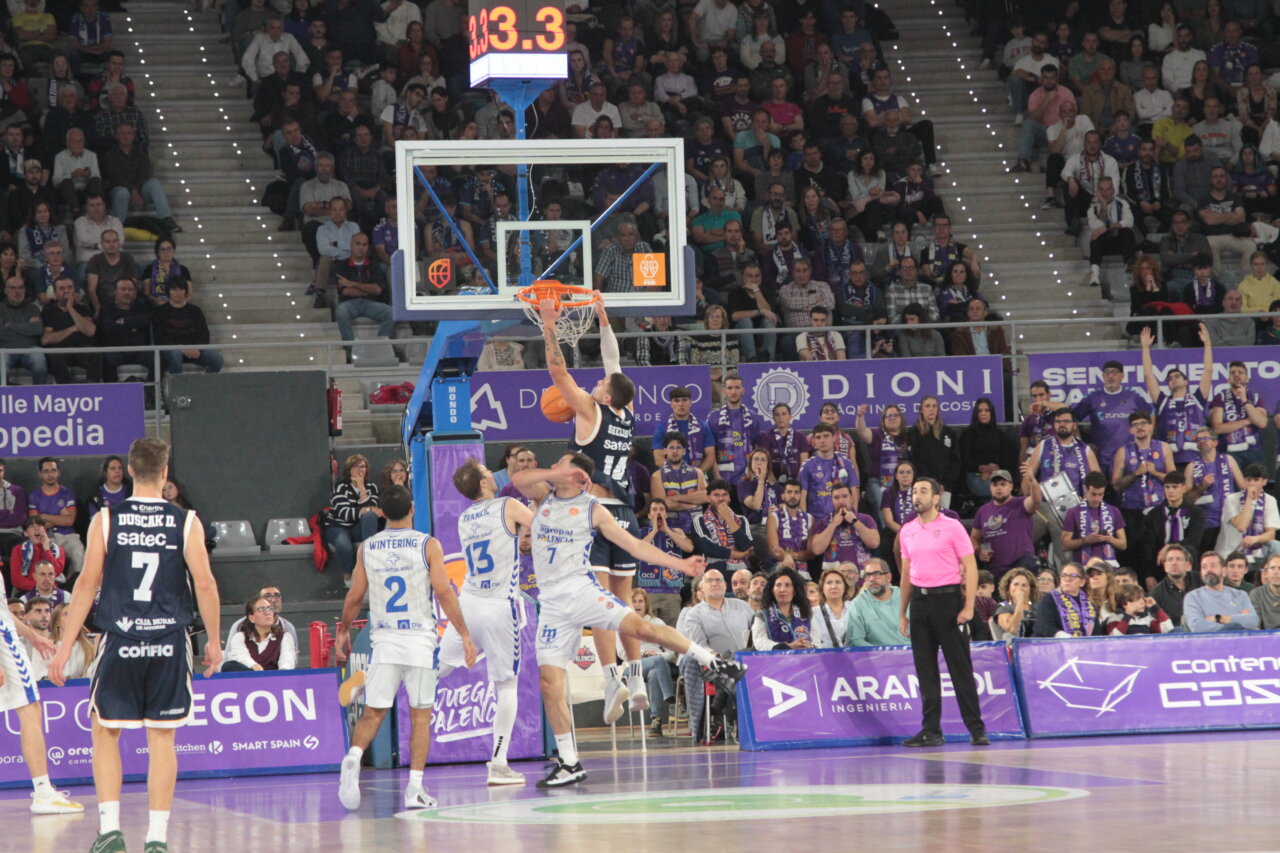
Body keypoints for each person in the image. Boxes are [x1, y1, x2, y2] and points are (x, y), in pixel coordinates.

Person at [513, 452, 743, 786]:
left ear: (578, 474)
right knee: (549, 684)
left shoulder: (593, 508)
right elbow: (518, 478)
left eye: (564, 462)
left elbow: (636, 547)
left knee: (640, 627)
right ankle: (570, 762)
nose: (557, 466)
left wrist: (680, 565)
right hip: (551, 604)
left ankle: (715, 662)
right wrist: (557, 469)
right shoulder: (543, 494)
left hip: (581, 590)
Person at [48, 438, 220, 853]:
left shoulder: (106, 520)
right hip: (169, 640)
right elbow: (205, 583)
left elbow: (86, 584)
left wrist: (64, 645)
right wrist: (214, 640)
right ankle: (157, 838)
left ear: (127, 470)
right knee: (162, 739)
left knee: (105, 732)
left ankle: (110, 831)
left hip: (121, 637)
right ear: (165, 474)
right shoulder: (187, 521)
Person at [540, 297, 650, 723]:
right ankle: (636, 677)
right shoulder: (627, 414)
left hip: (594, 514)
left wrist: (549, 326)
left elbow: (558, 372)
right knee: (625, 600)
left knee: (599, 603)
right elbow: (614, 361)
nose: (597, 383)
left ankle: (611, 680)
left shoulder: (591, 411)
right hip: (627, 516)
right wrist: (604, 322)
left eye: (601, 383)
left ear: (604, 393)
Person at [335, 484, 474, 810]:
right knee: (420, 718)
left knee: (373, 713)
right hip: (419, 643)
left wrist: (343, 631)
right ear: (412, 508)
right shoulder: (428, 544)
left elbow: (355, 596)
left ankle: (354, 756)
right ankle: (414, 789)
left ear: (380, 512)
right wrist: (464, 634)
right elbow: (443, 592)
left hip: (384, 641)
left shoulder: (367, 547)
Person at [897, 477, 986, 746]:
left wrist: (969, 605)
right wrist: (903, 611)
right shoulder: (907, 530)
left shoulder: (953, 527)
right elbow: (905, 573)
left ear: (936, 498)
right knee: (925, 670)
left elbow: (970, 567)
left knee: (960, 668)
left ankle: (976, 729)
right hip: (920, 603)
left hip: (948, 601)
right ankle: (931, 730)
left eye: (923, 491)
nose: (917, 495)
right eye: (914, 491)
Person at [680, 567, 752, 742]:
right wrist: (720, 658)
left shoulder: (742, 606)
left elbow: (754, 636)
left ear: (725, 585)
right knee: (730, 669)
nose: (714, 583)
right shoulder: (693, 614)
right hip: (713, 664)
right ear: (701, 588)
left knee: (737, 667)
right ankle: (737, 723)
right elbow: (700, 647)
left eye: (719, 580)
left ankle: (719, 710)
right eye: (709, 581)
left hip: (746, 660)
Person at [1073, 359, 1151, 468]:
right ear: (1103, 376)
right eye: (1107, 373)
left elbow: (1151, 416)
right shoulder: (1092, 397)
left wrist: (1147, 442)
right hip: (1102, 459)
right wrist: (1082, 445)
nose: (1110, 376)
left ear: (1122, 375)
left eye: (1114, 372)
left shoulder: (1133, 396)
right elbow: (1072, 419)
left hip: (1130, 457)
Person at [972, 465, 1042, 580]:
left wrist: (1033, 481)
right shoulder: (983, 511)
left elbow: (1036, 500)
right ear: (990, 488)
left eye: (1003, 484)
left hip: (1021, 565)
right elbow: (974, 537)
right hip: (995, 570)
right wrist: (979, 551)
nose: (999, 488)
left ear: (1011, 486)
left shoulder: (1021, 503)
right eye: (995, 485)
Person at [635, 499, 695, 627]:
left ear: (666, 514)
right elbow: (637, 550)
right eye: (654, 509)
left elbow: (688, 548)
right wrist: (654, 531)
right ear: (649, 515)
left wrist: (667, 530)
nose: (658, 513)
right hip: (648, 591)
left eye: (661, 509)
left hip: (671, 590)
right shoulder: (642, 532)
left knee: (672, 631)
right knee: (648, 630)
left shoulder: (677, 531)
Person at [324, 454, 381, 586]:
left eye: (363, 466)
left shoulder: (372, 487)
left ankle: (370, 562)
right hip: (337, 526)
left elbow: (374, 511)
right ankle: (348, 579)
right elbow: (344, 514)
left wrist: (362, 487)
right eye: (355, 466)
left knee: (370, 517)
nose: (360, 469)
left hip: (358, 527)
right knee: (344, 545)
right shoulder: (340, 487)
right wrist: (365, 510)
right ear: (349, 469)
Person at [1187, 424, 1246, 551]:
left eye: (1205, 438)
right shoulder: (1191, 466)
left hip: (1229, 519)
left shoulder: (1228, 460)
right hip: (1205, 522)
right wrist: (1202, 486)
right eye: (1199, 439)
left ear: (1215, 442)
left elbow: (1243, 487)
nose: (1202, 442)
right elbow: (1186, 500)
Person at [1184, 547, 1261, 630]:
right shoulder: (1193, 597)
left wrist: (1219, 618)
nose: (1208, 570)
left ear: (1224, 571)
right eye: (1204, 567)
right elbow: (1197, 626)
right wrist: (1234, 623)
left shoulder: (1240, 595)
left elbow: (1253, 621)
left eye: (1213, 566)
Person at [1216, 464, 1280, 564]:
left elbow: (1271, 534)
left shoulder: (1270, 501)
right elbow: (1242, 526)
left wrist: (1255, 539)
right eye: (1248, 480)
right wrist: (1249, 499)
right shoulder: (1231, 499)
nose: (1251, 484)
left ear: (1264, 481)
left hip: (1256, 554)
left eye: (1256, 480)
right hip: (1230, 554)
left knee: (1276, 546)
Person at [1209, 360, 1268, 470]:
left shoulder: (1255, 397)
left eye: (1240, 372)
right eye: (1233, 372)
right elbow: (1217, 428)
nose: (1236, 375)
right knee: (1232, 486)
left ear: (1247, 378)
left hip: (1254, 451)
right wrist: (1247, 421)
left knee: (1255, 484)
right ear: (1228, 379)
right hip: (1229, 451)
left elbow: (1262, 423)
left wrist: (1244, 400)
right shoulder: (1220, 397)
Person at [1062, 471, 1128, 565]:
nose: (1097, 498)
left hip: (1108, 567)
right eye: (1093, 494)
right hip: (1083, 567)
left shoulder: (1114, 511)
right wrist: (1085, 540)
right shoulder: (1073, 512)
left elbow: (1123, 545)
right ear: (1085, 489)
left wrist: (1109, 538)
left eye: (1100, 494)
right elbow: (1064, 545)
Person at [691, 480, 753, 575]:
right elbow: (708, 548)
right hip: (712, 569)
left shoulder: (742, 519)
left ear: (729, 498)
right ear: (708, 498)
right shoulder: (699, 520)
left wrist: (728, 518)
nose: (721, 498)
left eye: (725, 495)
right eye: (716, 495)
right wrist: (738, 555)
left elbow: (746, 546)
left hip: (740, 570)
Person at [222, 596, 297, 671]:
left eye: (270, 608)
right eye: (261, 609)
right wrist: (256, 667)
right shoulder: (240, 637)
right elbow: (241, 656)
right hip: (248, 678)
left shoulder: (284, 637)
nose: (267, 612)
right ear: (252, 618)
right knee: (228, 666)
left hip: (273, 679)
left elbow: (287, 661)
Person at [750, 566, 813, 650]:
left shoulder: (806, 612)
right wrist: (788, 647)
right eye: (778, 585)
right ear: (772, 590)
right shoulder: (762, 614)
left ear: (794, 591)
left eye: (787, 585)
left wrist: (808, 646)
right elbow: (759, 642)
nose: (782, 589)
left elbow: (816, 641)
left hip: (804, 659)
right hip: (773, 661)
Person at [1031, 561, 1099, 636]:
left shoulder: (1091, 607)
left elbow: (1097, 634)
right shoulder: (1049, 599)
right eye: (1064, 575)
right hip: (1054, 645)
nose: (1067, 579)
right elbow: (1044, 626)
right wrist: (1064, 637)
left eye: (1072, 576)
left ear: (1082, 582)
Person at [847, 559, 904, 646]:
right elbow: (855, 640)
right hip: (877, 656)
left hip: (910, 654)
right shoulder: (858, 604)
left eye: (877, 574)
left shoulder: (906, 598)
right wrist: (883, 655)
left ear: (889, 577)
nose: (872, 579)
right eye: (867, 575)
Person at [1151, 543, 1204, 625]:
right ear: (1165, 566)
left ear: (1188, 566)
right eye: (1170, 559)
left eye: (1178, 559)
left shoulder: (1201, 581)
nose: (1174, 563)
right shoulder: (1157, 593)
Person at [991, 567, 1040, 641]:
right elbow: (1013, 629)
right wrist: (1020, 602)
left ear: (1030, 590)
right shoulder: (1003, 609)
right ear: (1008, 588)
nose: (1019, 588)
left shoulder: (1038, 609)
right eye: (1016, 584)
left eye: (1024, 585)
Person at [1105, 584, 1175, 633]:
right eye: (1138, 599)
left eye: (1142, 598)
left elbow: (1168, 627)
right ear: (1125, 603)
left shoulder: (1146, 618)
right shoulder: (1115, 618)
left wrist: (1155, 607)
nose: (1142, 602)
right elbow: (1115, 638)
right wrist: (1127, 616)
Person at [810, 569, 852, 648]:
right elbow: (815, 643)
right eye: (829, 582)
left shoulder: (855, 608)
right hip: (826, 657)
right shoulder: (814, 613)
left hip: (856, 656)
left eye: (838, 582)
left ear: (845, 587)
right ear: (822, 588)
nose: (834, 586)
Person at [1248, 554, 1280, 628]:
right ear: (1266, 573)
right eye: (1272, 568)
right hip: (1267, 638)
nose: (1276, 572)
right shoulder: (1256, 594)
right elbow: (1255, 626)